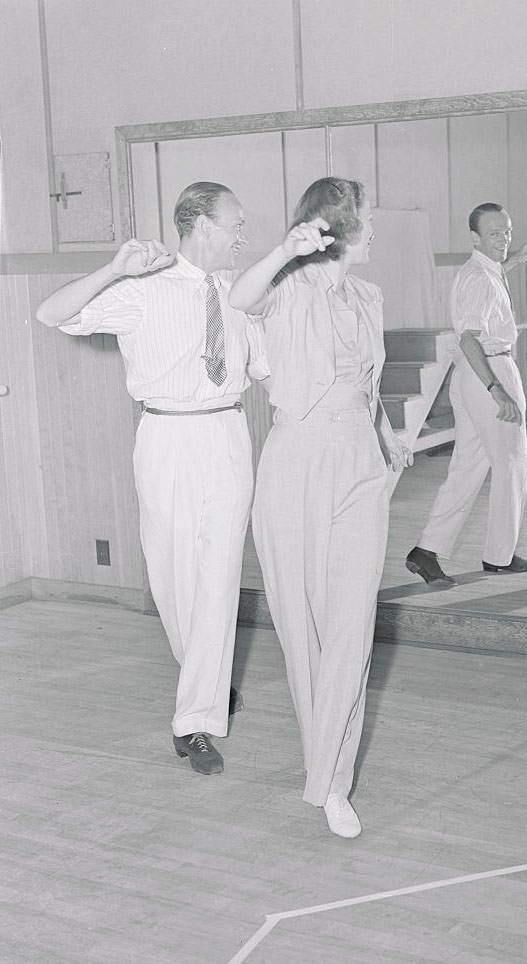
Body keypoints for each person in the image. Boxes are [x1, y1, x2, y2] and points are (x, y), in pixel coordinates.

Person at [35, 182, 267, 774]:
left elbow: (266, 367)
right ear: (202, 226)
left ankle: (193, 719)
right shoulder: (143, 293)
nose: (243, 234)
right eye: (235, 223)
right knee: (172, 575)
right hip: (166, 437)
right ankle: (204, 679)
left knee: (218, 575)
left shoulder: (239, 296)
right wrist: (114, 268)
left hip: (228, 435)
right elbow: (51, 313)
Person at [229, 176, 411, 838]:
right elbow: (239, 297)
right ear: (340, 224)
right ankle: (324, 768)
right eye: (369, 215)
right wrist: (285, 251)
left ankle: (334, 778)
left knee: (352, 623)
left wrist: (389, 440)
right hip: (295, 463)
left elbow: (368, 386)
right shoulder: (288, 286)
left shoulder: (369, 295)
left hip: (359, 464)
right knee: (300, 625)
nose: (376, 226)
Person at [406, 202, 527, 586]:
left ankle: (426, 551)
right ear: (475, 238)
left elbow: (495, 275)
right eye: (495, 234)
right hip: (489, 368)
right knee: (514, 463)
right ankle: (499, 556)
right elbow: (469, 339)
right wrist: (497, 390)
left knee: (468, 467)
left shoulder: (482, 270)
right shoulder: (480, 279)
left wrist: (517, 258)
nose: (504, 240)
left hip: (470, 376)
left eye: (507, 232)